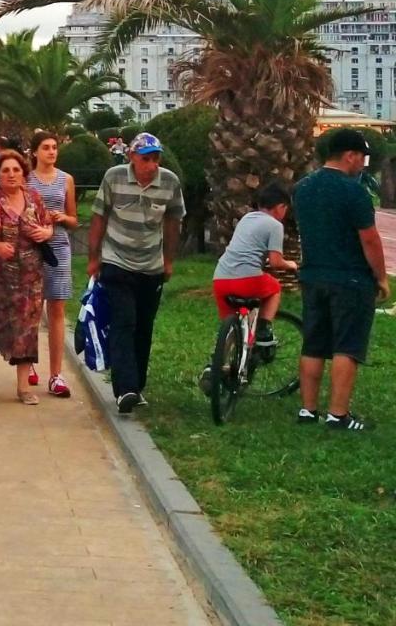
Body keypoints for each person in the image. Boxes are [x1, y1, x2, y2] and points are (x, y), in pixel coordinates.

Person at [293, 129, 387, 431]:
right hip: (350, 278)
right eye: (362, 157)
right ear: (350, 155)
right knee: (347, 346)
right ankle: (338, 414)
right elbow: (370, 240)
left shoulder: (302, 188)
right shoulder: (354, 192)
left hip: (312, 275)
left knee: (314, 343)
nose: (363, 164)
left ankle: (308, 409)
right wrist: (381, 277)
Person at [86, 132, 185, 415]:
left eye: (156, 159)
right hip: (116, 260)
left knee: (143, 327)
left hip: (150, 265)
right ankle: (125, 388)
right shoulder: (114, 177)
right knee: (124, 322)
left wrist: (168, 261)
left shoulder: (169, 182)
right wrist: (94, 258)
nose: (151, 165)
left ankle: (136, 386)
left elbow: (173, 221)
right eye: (146, 159)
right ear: (131, 157)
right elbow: (99, 216)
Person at [0, 149, 54, 405]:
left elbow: (48, 223)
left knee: (27, 326)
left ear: (23, 173)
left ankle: (23, 387)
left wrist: (46, 233)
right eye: (5, 170)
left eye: (16, 170)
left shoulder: (34, 197)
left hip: (30, 273)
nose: (11, 174)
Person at [201, 181, 298, 394]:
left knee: (230, 329)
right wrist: (291, 264)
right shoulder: (275, 225)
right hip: (247, 280)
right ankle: (264, 327)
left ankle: (217, 366)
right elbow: (275, 262)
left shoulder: (246, 218)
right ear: (280, 207)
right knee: (273, 288)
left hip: (221, 279)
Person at [27, 130, 77, 398]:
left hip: (58, 247)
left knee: (56, 308)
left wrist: (61, 218)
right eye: (46, 147)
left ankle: (56, 374)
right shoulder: (25, 179)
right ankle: (28, 362)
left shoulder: (66, 179)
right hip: (31, 248)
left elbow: (74, 219)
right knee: (32, 308)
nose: (51, 152)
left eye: (54, 147)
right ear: (35, 151)